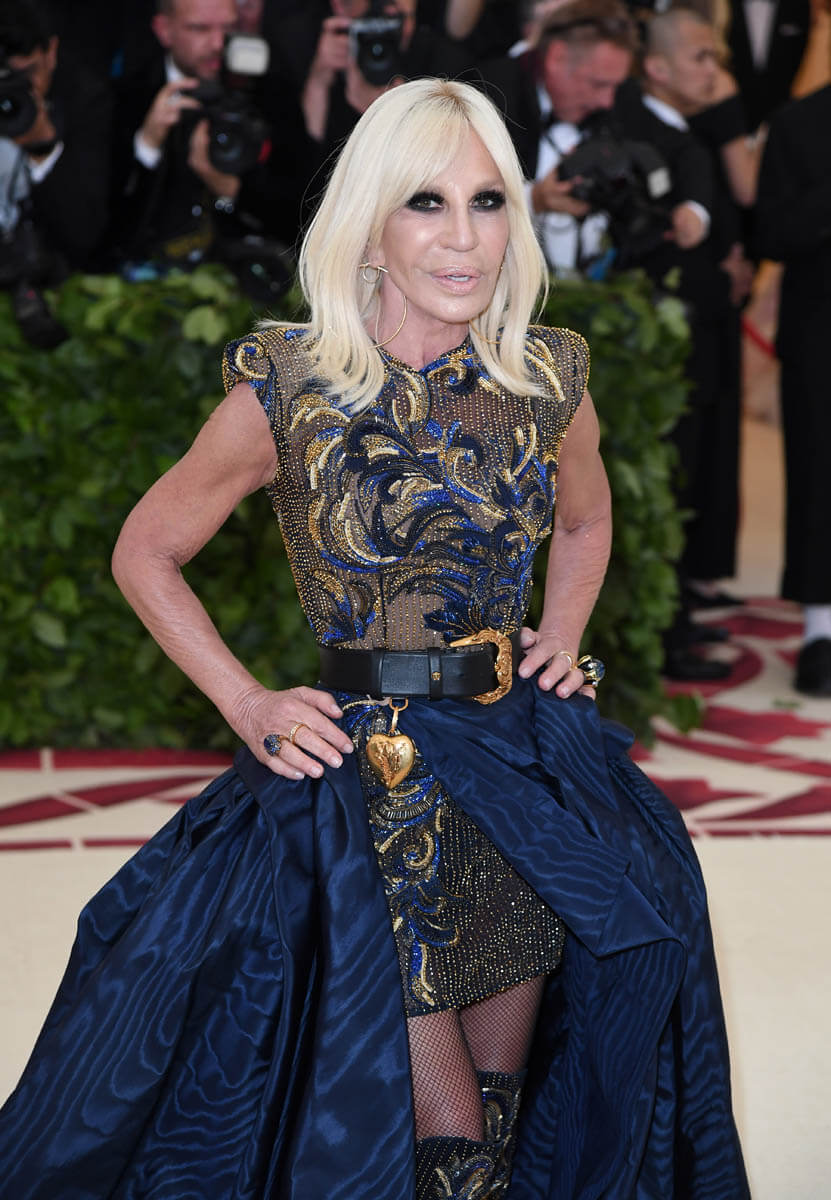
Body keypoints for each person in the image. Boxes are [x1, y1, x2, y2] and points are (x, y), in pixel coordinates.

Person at [0, 79, 750, 1198]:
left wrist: (561, 635)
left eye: (487, 202)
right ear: (368, 224)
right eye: (425, 202)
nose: (463, 238)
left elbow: (587, 521)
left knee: (496, 1125)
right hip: (368, 799)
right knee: (442, 1141)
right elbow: (145, 550)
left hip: (522, 781)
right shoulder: (291, 387)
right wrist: (247, 701)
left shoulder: (547, 377)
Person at [109, 0, 312, 291]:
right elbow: (105, 232)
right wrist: (148, 146)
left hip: (253, 283)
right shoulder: (129, 99)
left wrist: (231, 189)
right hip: (145, 286)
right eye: (200, 29)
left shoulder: (271, 93)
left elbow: (304, 214)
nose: (218, 43)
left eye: (229, 27)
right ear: (164, 30)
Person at [755, 59, 831, 696]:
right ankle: (819, 632)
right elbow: (773, 234)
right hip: (819, 331)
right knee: (817, 478)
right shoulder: (798, 124)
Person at [475, 0, 638, 273]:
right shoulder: (488, 95)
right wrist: (533, 200)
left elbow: (680, 149)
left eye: (613, 87)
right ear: (557, 58)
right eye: (597, 84)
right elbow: (458, 193)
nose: (607, 101)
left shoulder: (619, 98)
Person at [0, 0, 112, 345]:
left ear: (52, 51)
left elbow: (85, 234)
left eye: (30, 72)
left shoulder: (85, 100)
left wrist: (44, 148)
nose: (24, 89)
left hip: (58, 284)